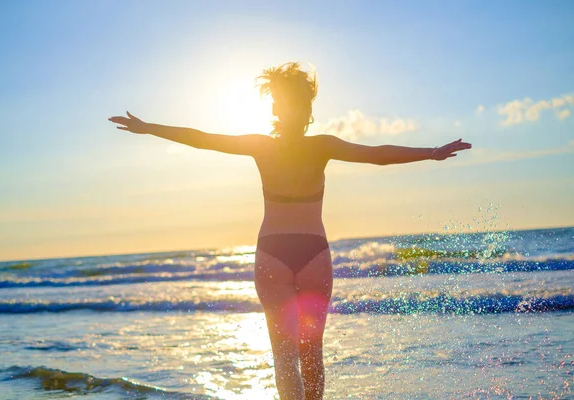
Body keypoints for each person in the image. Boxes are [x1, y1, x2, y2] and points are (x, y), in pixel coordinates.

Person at [108, 62, 472, 400]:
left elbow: (204, 138)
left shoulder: (269, 146)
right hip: (311, 254)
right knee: (308, 355)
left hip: (275, 256)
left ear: (279, 110)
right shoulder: (318, 146)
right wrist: (431, 152)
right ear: (302, 110)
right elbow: (376, 155)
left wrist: (148, 128)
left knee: (291, 358)